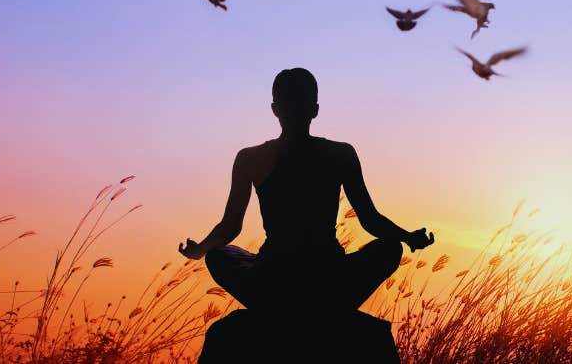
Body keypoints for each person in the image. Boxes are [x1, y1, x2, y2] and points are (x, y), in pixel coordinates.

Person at [178, 68, 435, 313]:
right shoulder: (340, 153)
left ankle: (278, 307)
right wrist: (407, 237)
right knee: (389, 248)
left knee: (218, 256)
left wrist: (201, 249)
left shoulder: (251, 158)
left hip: (273, 275)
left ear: (275, 109)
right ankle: (331, 306)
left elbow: (231, 226)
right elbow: (370, 219)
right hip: (328, 274)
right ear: (315, 110)